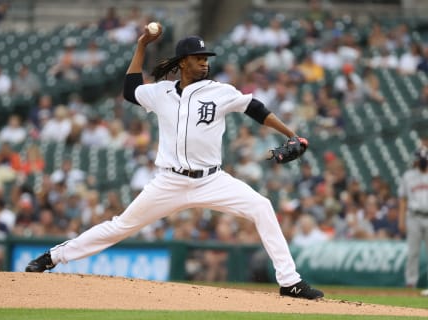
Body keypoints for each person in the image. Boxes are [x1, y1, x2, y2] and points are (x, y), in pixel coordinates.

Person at [25, 24, 323, 300]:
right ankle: (53, 257)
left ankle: (289, 281)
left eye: (206, 57)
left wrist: (292, 134)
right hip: (169, 181)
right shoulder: (161, 93)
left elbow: (255, 108)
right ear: (183, 62)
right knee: (120, 226)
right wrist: (142, 45)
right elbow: (130, 90)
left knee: (262, 206)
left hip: (211, 180)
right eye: (198, 57)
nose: (205, 61)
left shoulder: (220, 92)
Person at [398, 148, 428, 296]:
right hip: (414, 216)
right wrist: (401, 220)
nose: (422, 161)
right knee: (413, 252)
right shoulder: (408, 176)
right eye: (420, 159)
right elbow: (403, 199)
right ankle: (410, 283)